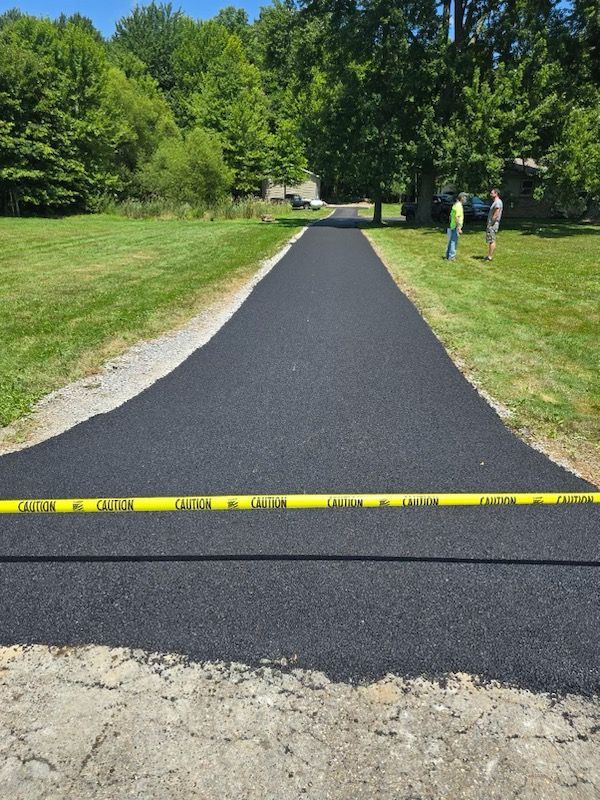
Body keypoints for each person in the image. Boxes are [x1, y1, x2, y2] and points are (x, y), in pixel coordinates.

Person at [445, 192, 467, 261]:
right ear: (462, 198)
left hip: (452, 225)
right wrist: (459, 228)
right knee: (454, 242)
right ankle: (451, 257)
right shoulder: (459, 206)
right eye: (465, 197)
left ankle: (448, 255)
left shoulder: (455, 205)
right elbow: (457, 217)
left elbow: (451, 216)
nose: (466, 199)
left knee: (451, 241)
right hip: (455, 226)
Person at [485, 188, 503, 261]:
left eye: (492, 193)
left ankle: (490, 257)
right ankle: (489, 255)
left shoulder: (497, 202)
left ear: (496, 194)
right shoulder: (495, 202)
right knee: (490, 240)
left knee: (492, 240)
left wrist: (491, 223)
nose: (490, 194)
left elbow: (496, 214)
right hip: (492, 223)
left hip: (493, 223)